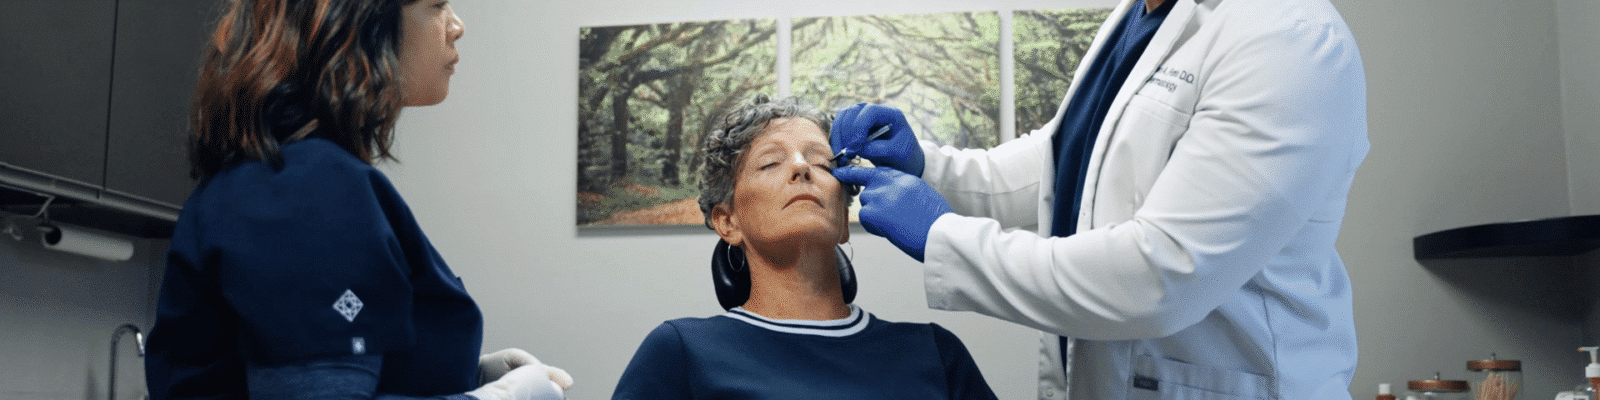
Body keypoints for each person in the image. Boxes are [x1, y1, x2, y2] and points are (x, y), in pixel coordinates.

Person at [829, 0, 1369, 398]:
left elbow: (1160, 276)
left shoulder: (1288, 37)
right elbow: (1068, 166)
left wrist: (943, 237)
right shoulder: (1139, 15)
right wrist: (929, 167)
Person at [144, 1, 572, 399]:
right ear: (363, 23)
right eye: (437, 6)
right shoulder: (307, 189)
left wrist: (467, 375)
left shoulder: (289, 178)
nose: (456, 26)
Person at [611, 95, 998, 400]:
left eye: (820, 161)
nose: (801, 167)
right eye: (769, 163)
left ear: (844, 220)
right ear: (728, 222)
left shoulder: (934, 353)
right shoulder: (682, 352)